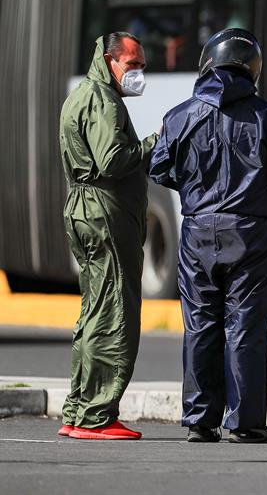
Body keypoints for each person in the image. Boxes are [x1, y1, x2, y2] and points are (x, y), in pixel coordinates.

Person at [149, 28, 267, 443]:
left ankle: (200, 421)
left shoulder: (180, 115)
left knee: (200, 323)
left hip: (197, 231)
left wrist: (198, 195)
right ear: (253, 69)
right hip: (253, 232)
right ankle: (244, 421)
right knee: (247, 327)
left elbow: (160, 167)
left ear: (208, 62)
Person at [57, 32, 158, 440]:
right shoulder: (103, 100)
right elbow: (114, 160)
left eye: (142, 66)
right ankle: (97, 415)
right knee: (115, 312)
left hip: (86, 211)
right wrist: (157, 140)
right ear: (110, 61)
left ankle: (79, 410)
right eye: (133, 65)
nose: (139, 74)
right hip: (104, 214)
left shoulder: (83, 94)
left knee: (94, 311)